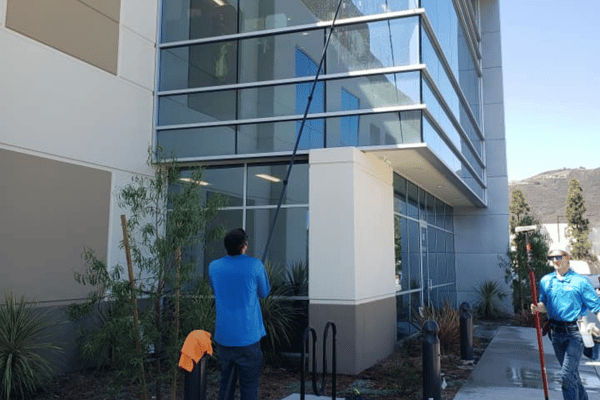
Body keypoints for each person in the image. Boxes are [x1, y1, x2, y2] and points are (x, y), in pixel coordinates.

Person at [531, 243, 600, 400]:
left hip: (575, 334)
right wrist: (537, 307)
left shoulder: (580, 282)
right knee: (571, 374)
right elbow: (545, 305)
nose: (555, 260)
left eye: (559, 256)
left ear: (567, 258)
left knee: (566, 376)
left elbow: (597, 308)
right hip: (555, 334)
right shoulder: (546, 281)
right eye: (551, 257)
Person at [209, 228, 270, 400]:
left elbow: (215, 289)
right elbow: (264, 292)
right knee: (249, 387)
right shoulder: (255, 265)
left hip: (224, 337)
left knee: (226, 384)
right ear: (243, 246)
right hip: (248, 337)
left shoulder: (214, 267)